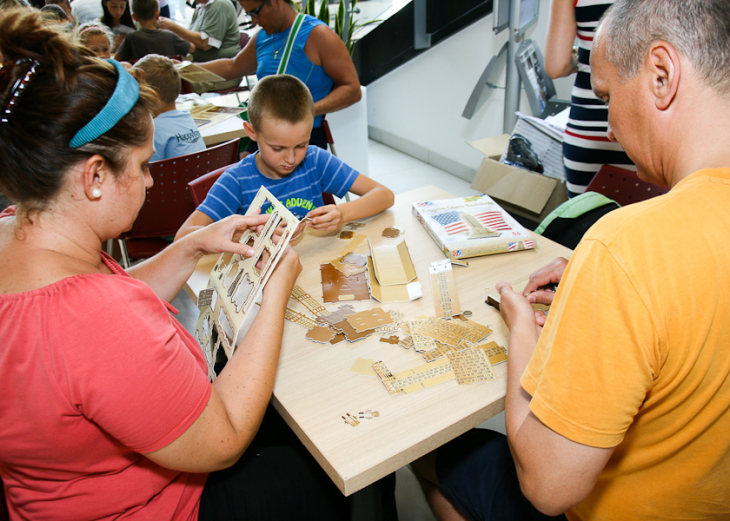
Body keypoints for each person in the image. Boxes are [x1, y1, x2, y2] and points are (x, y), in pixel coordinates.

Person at [0, 8, 374, 520]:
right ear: (93, 177)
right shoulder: (94, 325)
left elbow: (99, 299)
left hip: (54, 499)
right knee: (344, 465)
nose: (153, 182)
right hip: (163, 507)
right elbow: (221, 440)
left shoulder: (17, 237)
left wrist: (192, 246)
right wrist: (276, 290)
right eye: (144, 165)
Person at [412, 0, 730, 519]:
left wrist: (520, 326)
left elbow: (548, 485)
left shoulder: (627, 246)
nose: (607, 125)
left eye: (606, 96)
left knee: (430, 453)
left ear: (661, 74)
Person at [174, 74, 394, 239]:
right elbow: (184, 237)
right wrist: (251, 233)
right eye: (278, 148)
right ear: (252, 132)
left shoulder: (314, 160)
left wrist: (342, 213)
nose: (291, 158)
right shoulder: (237, 181)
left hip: (311, 263)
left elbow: (384, 195)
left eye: (301, 144)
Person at [198, 0, 361, 151]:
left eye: (255, 12)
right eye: (249, 15)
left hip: (302, 138)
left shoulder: (318, 35)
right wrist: (186, 69)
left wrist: (305, 111)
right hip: (266, 133)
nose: (254, 21)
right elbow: (232, 67)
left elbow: (352, 89)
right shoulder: (262, 37)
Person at [544, 0, 635, 198]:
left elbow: (556, 66)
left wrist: (583, 60)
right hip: (646, 132)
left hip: (587, 131)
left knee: (585, 224)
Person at [133, 54, 206, 162]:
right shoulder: (186, 118)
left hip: (175, 178)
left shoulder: (152, 130)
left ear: (149, 95)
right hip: (201, 177)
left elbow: (145, 169)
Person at [157, 0, 240, 62]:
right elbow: (191, 39)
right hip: (202, 64)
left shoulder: (219, 5)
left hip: (218, 71)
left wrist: (173, 27)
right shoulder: (201, 7)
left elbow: (205, 43)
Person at [114, 0, 193, 61]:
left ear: (134, 17)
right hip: (168, 80)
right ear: (158, 14)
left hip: (143, 80)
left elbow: (116, 60)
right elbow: (192, 48)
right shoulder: (170, 36)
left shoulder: (131, 38)